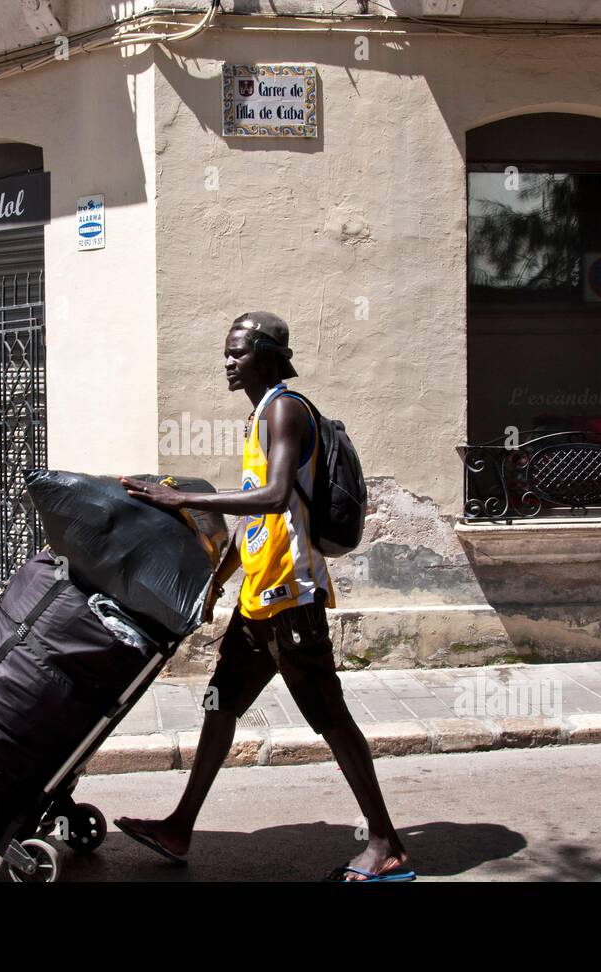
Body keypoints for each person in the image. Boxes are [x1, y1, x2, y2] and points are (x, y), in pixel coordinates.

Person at [115, 311, 413, 882]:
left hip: (291, 601)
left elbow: (275, 497)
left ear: (270, 356)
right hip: (258, 601)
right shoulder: (259, 417)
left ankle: (385, 843)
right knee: (219, 706)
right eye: (225, 353)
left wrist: (182, 502)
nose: (227, 362)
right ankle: (179, 827)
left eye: (238, 352)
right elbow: (256, 521)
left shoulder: (284, 409)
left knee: (331, 720)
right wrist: (216, 583)